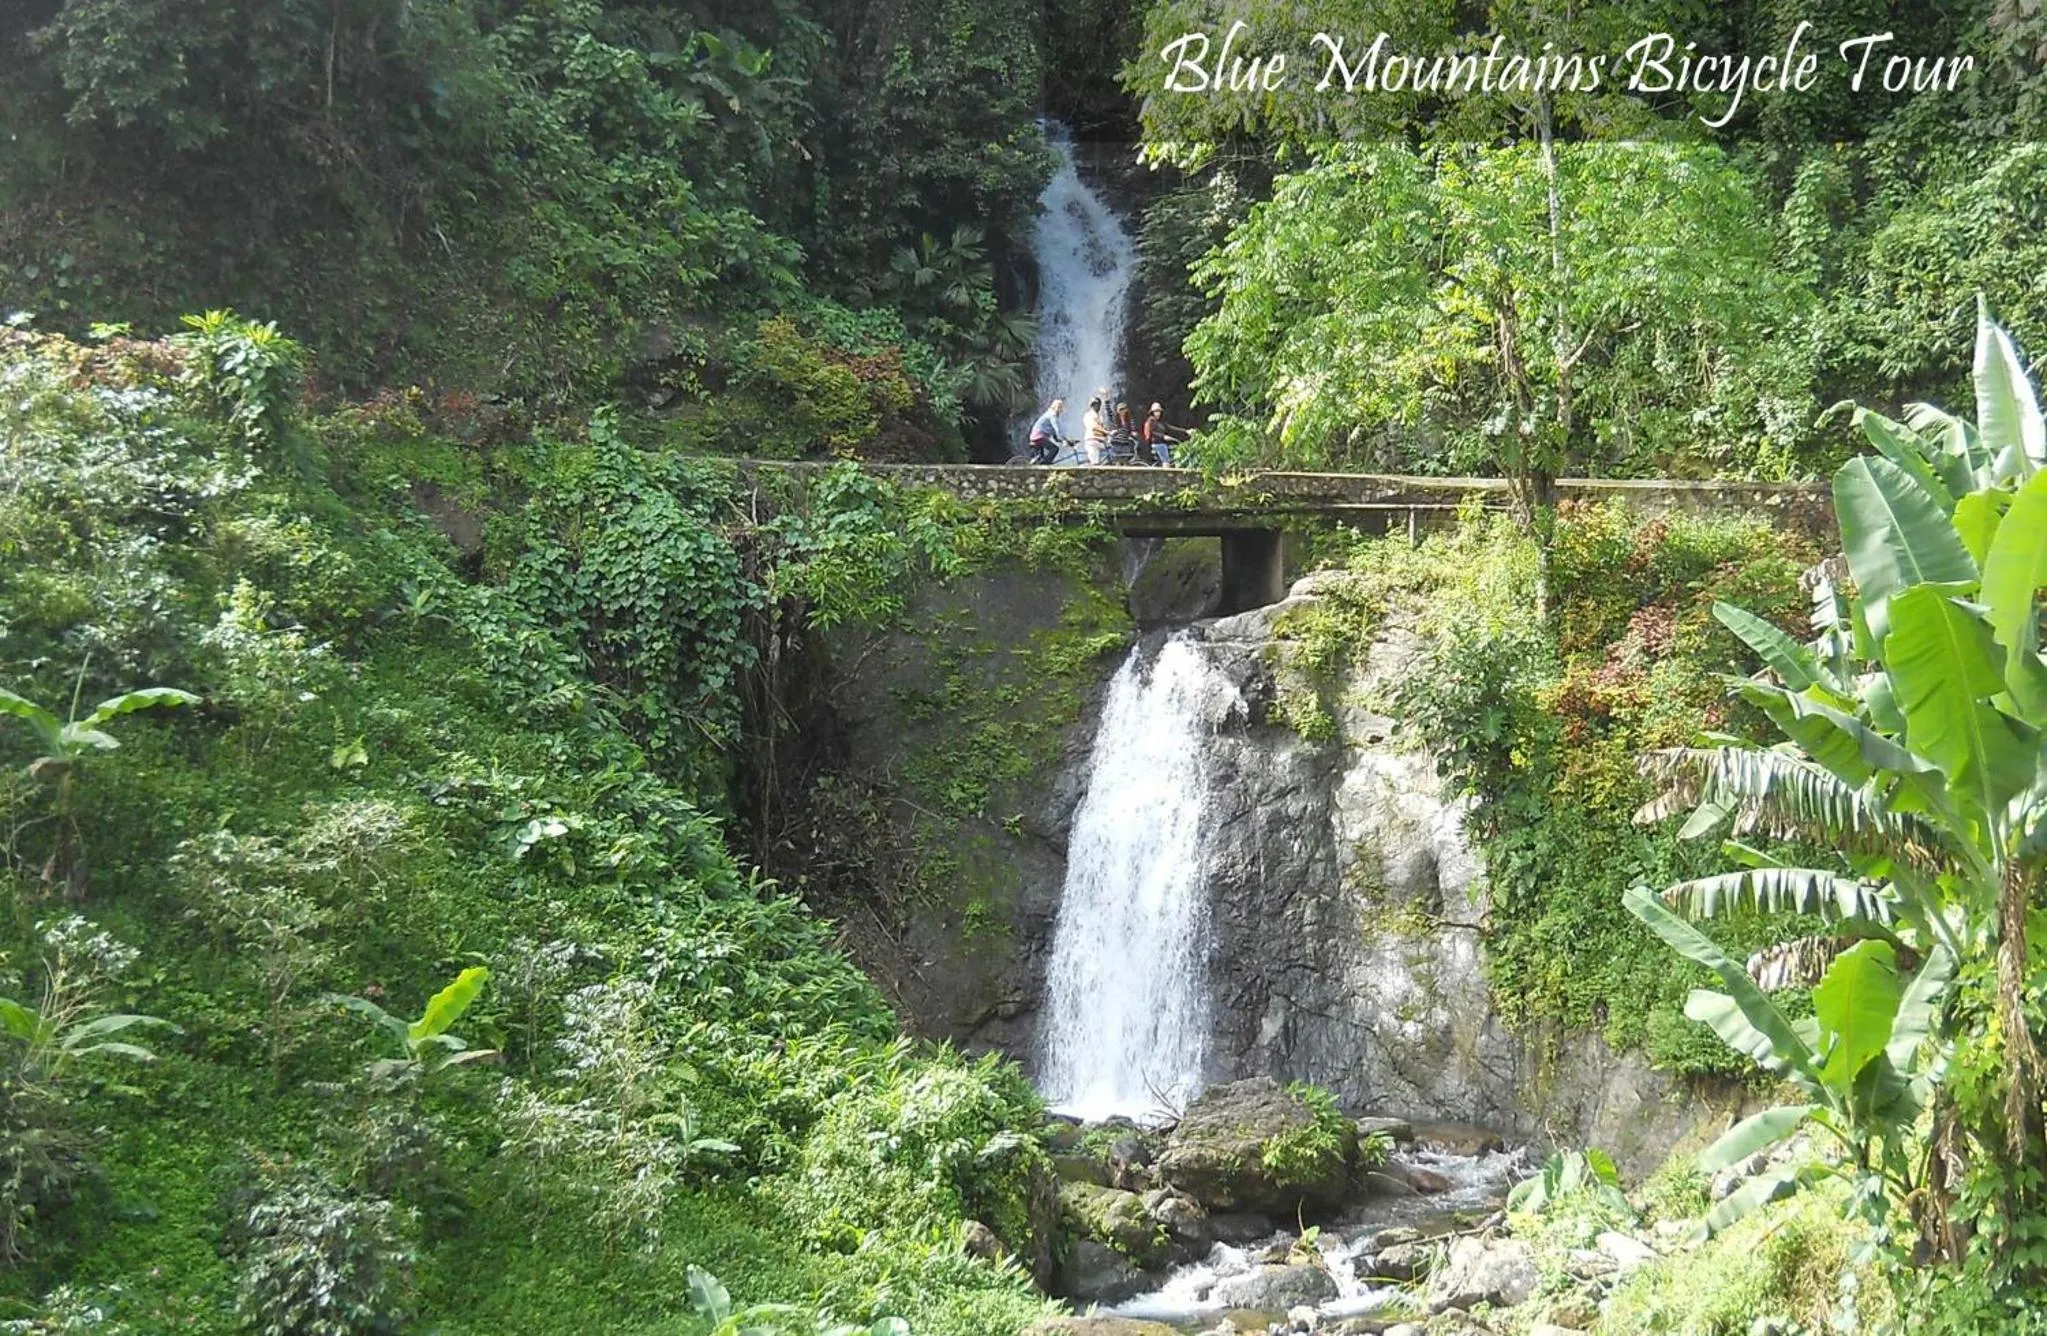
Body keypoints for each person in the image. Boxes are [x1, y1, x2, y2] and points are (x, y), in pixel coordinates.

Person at [1026, 396, 1066, 465]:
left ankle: (1040, 465)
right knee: (1054, 449)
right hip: (1039, 436)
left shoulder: (1050, 414)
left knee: (1041, 457)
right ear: (1057, 408)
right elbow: (1057, 429)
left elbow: (1055, 435)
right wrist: (1064, 439)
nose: (1061, 410)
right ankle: (1045, 466)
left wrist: (1063, 440)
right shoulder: (1052, 415)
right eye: (1061, 408)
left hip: (1037, 436)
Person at [1142, 402, 1181, 467]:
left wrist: (1186, 431)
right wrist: (1163, 436)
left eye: (1159, 411)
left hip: (1161, 443)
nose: (1158, 413)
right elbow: (1152, 432)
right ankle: (1166, 468)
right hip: (1157, 444)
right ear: (1152, 412)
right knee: (1166, 460)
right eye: (1156, 411)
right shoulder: (1151, 420)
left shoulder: (1160, 422)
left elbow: (1171, 428)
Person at [1081, 397, 1108, 465]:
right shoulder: (1088, 415)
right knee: (1095, 463)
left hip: (1101, 441)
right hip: (1092, 440)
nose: (1097, 406)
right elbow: (1093, 427)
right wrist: (1107, 432)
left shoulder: (1100, 416)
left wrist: (1106, 431)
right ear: (1091, 406)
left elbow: (1102, 426)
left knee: (1111, 453)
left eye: (1098, 405)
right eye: (1094, 405)